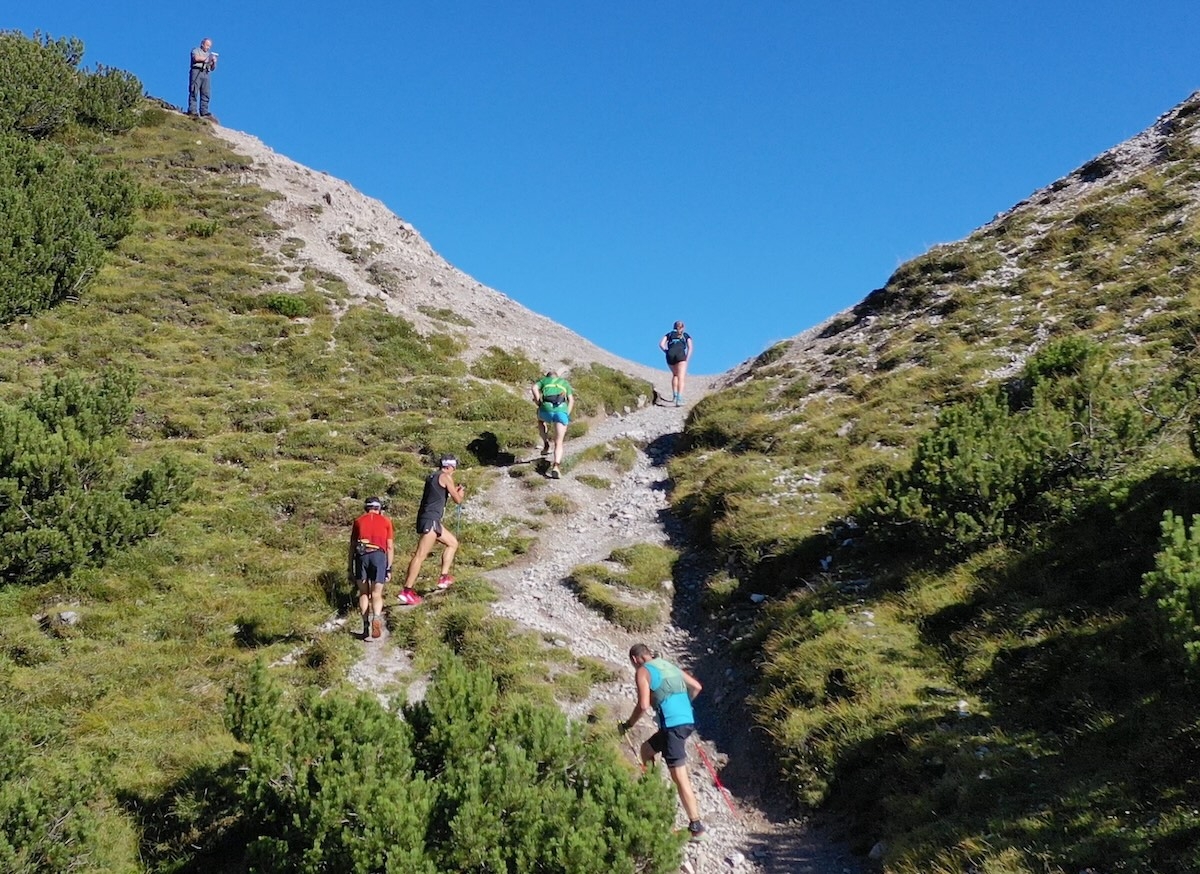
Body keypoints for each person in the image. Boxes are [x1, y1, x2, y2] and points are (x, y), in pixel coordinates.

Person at [619, 643, 708, 841]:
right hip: (686, 721)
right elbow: (696, 687)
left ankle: (696, 826)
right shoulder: (668, 665)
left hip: (672, 726)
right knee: (646, 750)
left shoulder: (643, 671)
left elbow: (643, 705)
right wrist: (682, 706)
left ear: (634, 659)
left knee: (679, 776)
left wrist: (628, 724)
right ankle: (653, 792)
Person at [398, 455, 466, 605]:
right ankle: (407, 591)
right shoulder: (446, 477)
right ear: (450, 467)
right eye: (454, 469)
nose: (453, 472)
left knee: (452, 543)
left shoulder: (432, 477)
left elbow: (437, 493)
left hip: (428, 518)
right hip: (431, 519)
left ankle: (444, 577)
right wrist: (460, 493)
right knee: (420, 555)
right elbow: (458, 500)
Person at [348, 496, 394, 640]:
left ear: (366, 508)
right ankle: (376, 617)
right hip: (378, 556)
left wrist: (350, 568)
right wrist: (389, 567)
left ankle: (365, 625)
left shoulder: (358, 521)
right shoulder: (386, 521)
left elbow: (352, 547)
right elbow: (389, 547)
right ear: (379, 508)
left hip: (362, 556)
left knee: (363, 593)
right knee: (376, 594)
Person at [531, 370, 574, 479]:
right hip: (561, 411)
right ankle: (556, 466)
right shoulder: (564, 383)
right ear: (557, 376)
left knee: (540, 421)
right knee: (559, 442)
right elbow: (571, 400)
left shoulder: (544, 381)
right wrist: (566, 414)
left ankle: (546, 444)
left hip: (546, 410)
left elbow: (534, 388)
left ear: (548, 376)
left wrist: (538, 402)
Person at [659, 321, 693, 407]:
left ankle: (675, 396)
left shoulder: (669, 334)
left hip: (670, 355)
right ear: (683, 327)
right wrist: (686, 359)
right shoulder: (685, 335)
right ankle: (679, 399)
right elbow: (690, 347)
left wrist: (666, 351)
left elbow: (661, 344)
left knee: (675, 375)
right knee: (681, 377)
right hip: (680, 355)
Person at [187, 37, 218, 120]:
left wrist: (214, 62)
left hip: (206, 73)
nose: (208, 48)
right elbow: (196, 58)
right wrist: (206, 59)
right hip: (197, 71)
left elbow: (212, 68)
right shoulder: (196, 50)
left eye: (209, 46)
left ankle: (204, 111)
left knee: (206, 93)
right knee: (194, 90)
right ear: (202, 44)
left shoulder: (209, 54)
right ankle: (192, 110)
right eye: (207, 45)